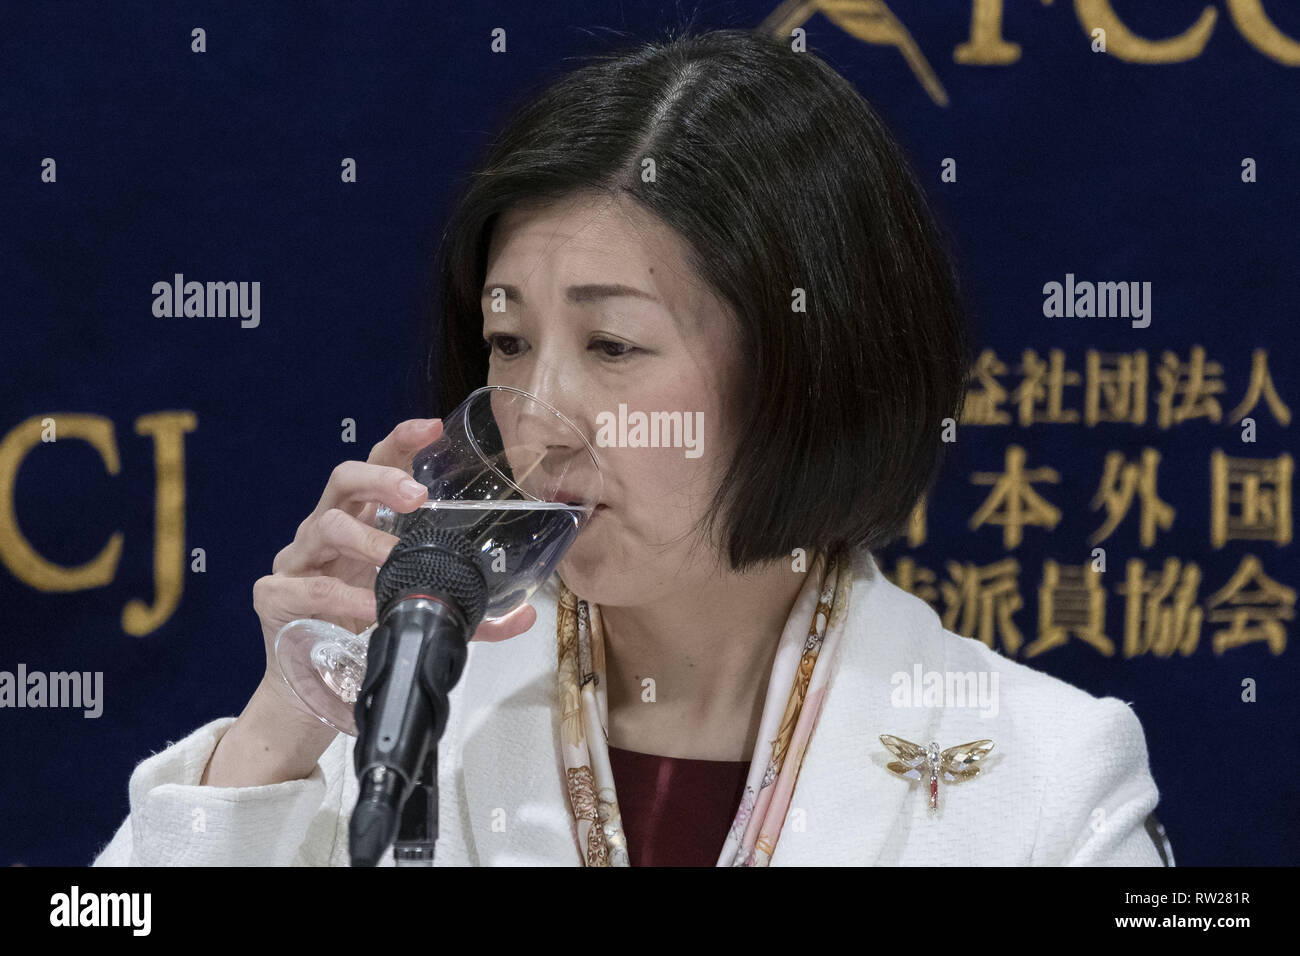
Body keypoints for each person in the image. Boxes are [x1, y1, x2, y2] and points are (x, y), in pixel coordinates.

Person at [93, 27, 1164, 867]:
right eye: (507, 341)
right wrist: (276, 738)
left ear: (809, 363)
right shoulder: (406, 709)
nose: (537, 410)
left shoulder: (1049, 771)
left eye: (613, 343)